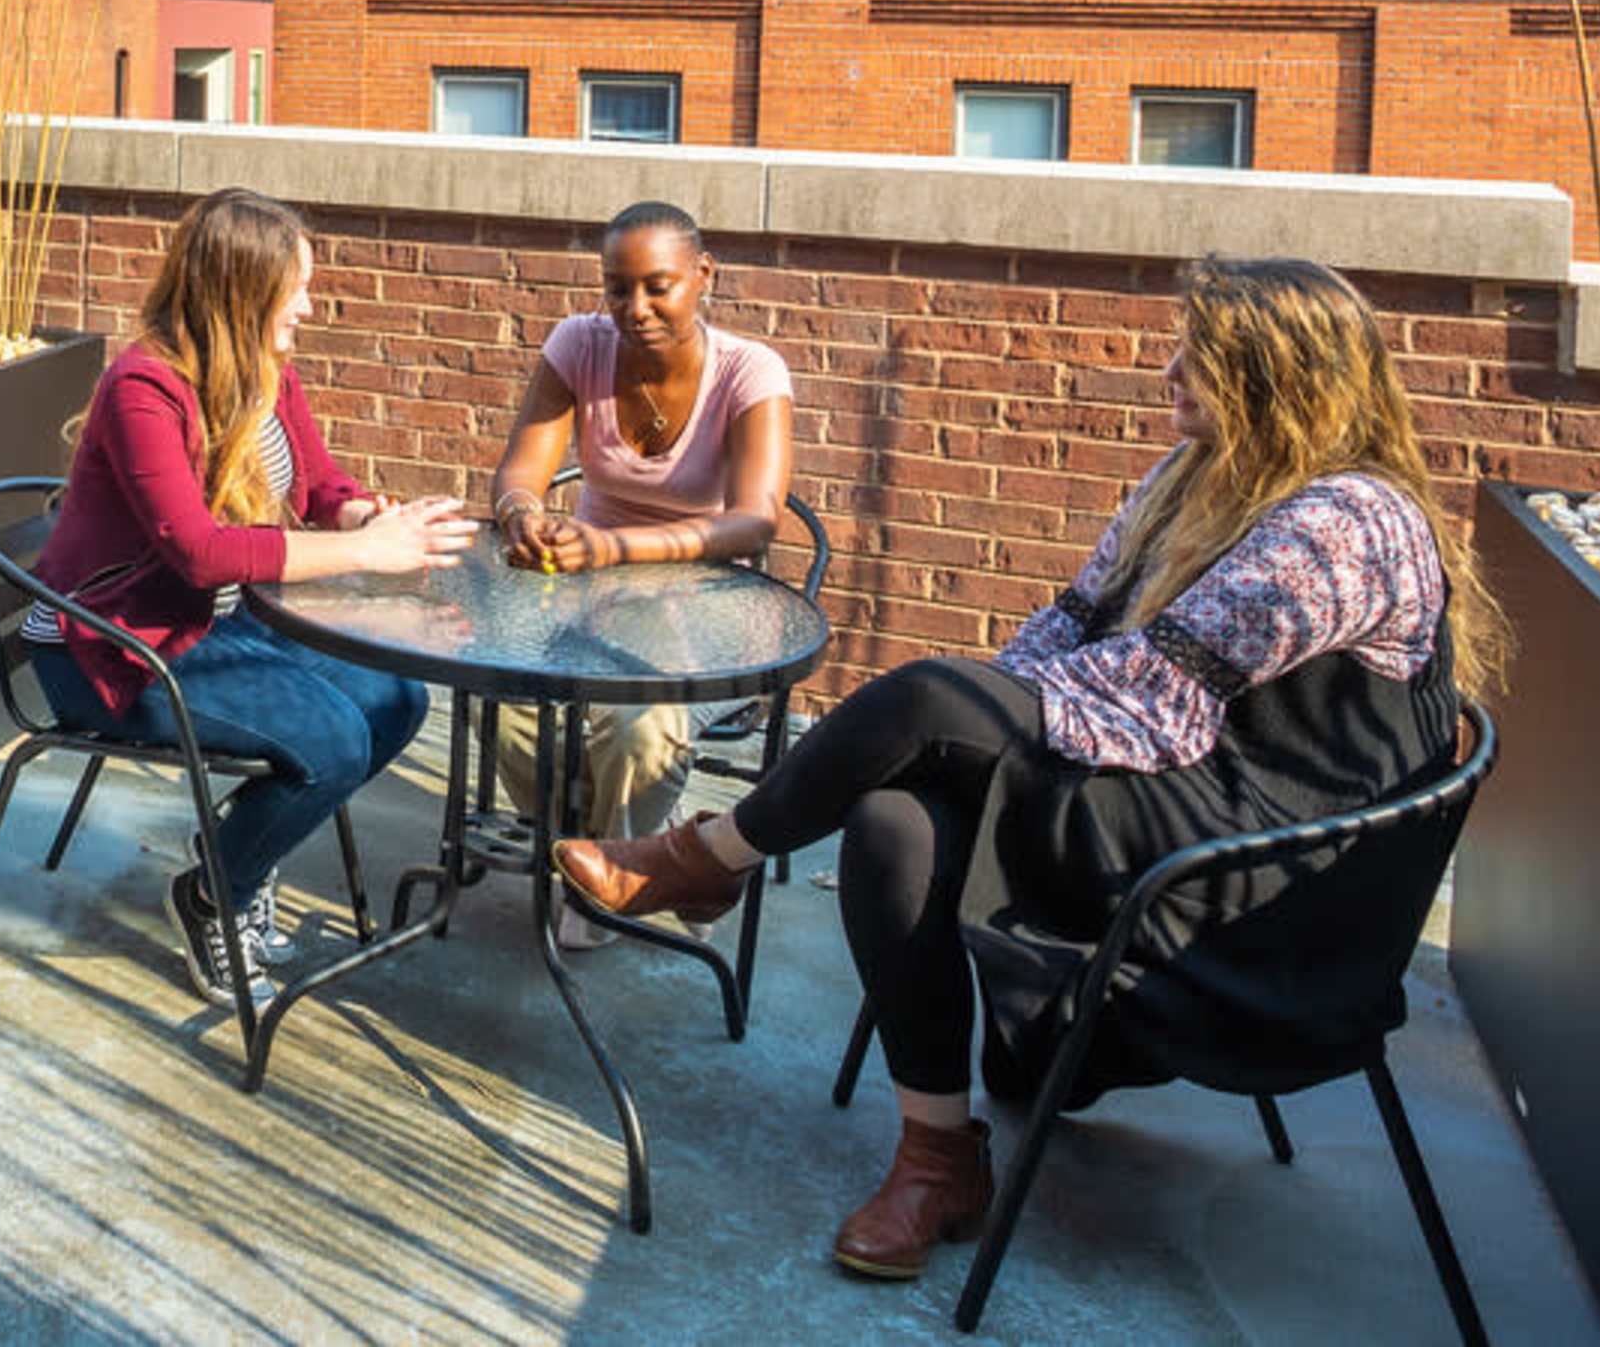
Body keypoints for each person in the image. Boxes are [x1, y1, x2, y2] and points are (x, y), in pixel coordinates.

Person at [553, 256, 1502, 1285]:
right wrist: (962, 732)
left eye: (1204, 356)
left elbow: (1150, 688)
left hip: (1252, 875)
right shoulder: (1198, 478)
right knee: (893, 813)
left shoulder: (1346, 521)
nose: (1170, 368)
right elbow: (1075, 626)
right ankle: (937, 1152)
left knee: (924, 701)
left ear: (1281, 381)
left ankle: (709, 857)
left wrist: (961, 719)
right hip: (1173, 804)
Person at [30, 187, 478, 1001]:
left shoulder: (267, 375)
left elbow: (315, 487)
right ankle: (214, 894)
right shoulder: (145, 387)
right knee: (336, 739)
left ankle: (240, 849)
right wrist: (365, 551)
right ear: (241, 292)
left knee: (398, 698)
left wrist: (363, 512)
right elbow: (199, 553)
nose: (309, 305)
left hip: (214, 629)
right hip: (112, 647)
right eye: (295, 288)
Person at [481, 200, 797, 944]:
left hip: (705, 597)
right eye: (618, 288)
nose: (636, 308)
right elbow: (518, 473)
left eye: (659, 285)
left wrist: (617, 547)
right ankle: (584, 839)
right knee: (509, 696)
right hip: (589, 590)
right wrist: (523, 515)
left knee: (642, 724)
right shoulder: (578, 345)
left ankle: (626, 874)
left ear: (703, 275)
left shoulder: (751, 370)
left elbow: (755, 520)